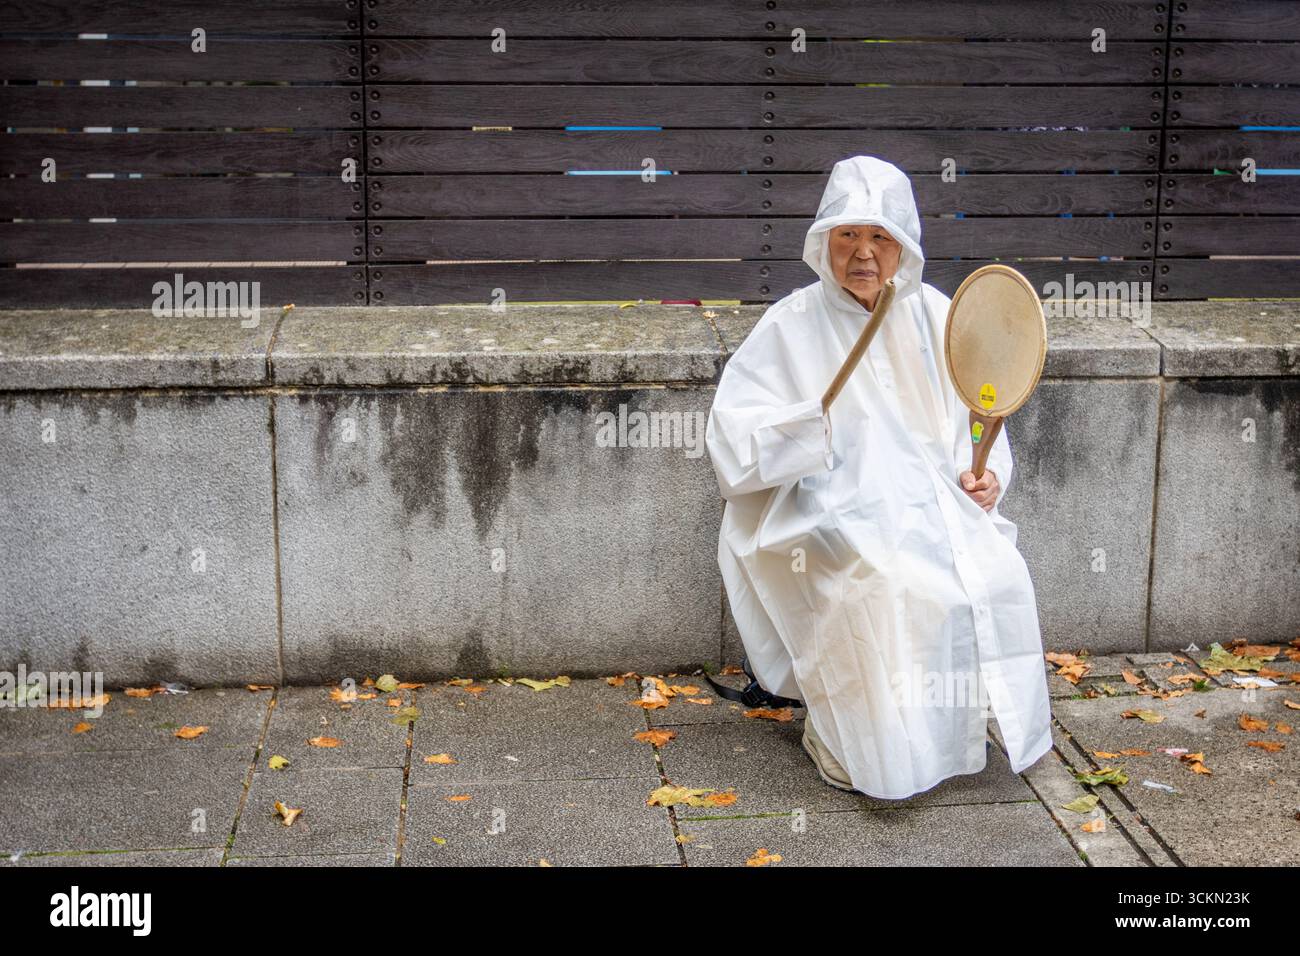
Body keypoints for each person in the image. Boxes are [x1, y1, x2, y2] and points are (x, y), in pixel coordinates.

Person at [704, 155, 1052, 799]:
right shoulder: (790, 325)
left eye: (880, 238)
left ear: (904, 246)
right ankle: (846, 734)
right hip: (821, 508)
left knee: (989, 568)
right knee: (878, 577)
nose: (863, 255)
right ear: (825, 241)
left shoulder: (937, 316)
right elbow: (732, 445)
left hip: (930, 498)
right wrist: (803, 431)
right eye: (848, 236)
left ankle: (950, 718)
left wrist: (983, 475)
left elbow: (980, 415)